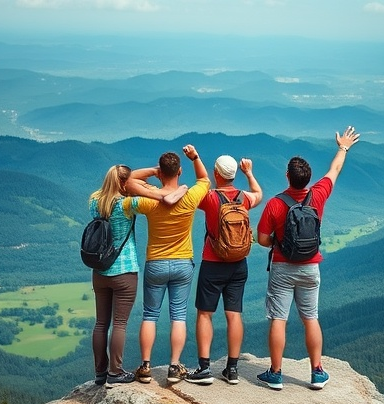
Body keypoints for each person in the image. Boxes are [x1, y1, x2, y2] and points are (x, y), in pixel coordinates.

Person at [256, 126, 360, 390]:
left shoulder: (276, 204)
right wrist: (343, 147)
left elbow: (262, 239)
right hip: (311, 266)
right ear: (309, 178)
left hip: (282, 266)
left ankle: (276, 374)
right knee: (310, 317)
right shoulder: (319, 194)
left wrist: (278, 241)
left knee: (279, 319)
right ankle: (317, 372)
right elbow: (335, 170)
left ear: (287, 176)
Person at [90, 164, 186, 387]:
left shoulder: (94, 201)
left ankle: (100, 373)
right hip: (124, 271)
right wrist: (170, 183)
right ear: (125, 183)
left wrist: (151, 171)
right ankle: (115, 372)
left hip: (99, 270)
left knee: (101, 323)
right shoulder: (127, 204)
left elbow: (121, 182)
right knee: (120, 324)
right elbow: (160, 196)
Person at [122, 145, 210, 384]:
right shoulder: (190, 197)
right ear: (180, 171)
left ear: (161, 173)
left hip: (156, 263)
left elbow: (126, 181)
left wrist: (152, 171)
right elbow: (204, 178)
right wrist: (195, 157)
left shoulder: (150, 199)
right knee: (178, 315)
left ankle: (146, 366)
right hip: (183, 263)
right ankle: (174, 366)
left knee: (150, 314)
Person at [185, 155, 263, 385]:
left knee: (205, 314)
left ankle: (204, 368)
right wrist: (249, 173)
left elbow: (199, 185)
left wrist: (196, 160)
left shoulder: (209, 198)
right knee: (234, 315)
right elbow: (259, 193)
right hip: (239, 264)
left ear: (217, 173)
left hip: (213, 262)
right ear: (234, 175)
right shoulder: (244, 199)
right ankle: (232, 369)